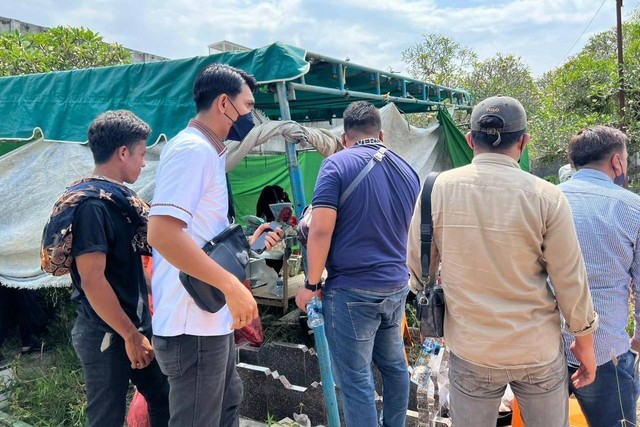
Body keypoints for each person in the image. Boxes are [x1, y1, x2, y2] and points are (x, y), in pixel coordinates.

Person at [407, 96, 599, 427]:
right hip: (536, 349)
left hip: (471, 350)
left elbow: (418, 268)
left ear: (470, 141)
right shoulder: (547, 196)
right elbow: (570, 280)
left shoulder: (435, 190)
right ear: (524, 141)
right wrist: (585, 344)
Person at [147, 64, 283, 427]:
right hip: (191, 324)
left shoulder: (210, 152)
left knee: (226, 410)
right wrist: (229, 285)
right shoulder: (192, 150)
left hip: (210, 319)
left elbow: (202, 235)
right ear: (225, 103)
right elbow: (161, 233)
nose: (252, 116)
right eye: (248, 105)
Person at [41, 110, 169, 427]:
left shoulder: (119, 202)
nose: (143, 162)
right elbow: (92, 278)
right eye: (141, 153)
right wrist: (129, 334)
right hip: (107, 332)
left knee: (164, 397)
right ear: (123, 152)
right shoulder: (93, 207)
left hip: (133, 327)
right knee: (106, 417)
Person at [295, 100, 420, 427]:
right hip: (395, 287)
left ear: (344, 136)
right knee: (394, 368)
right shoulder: (408, 170)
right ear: (381, 133)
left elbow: (320, 229)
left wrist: (310, 285)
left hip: (352, 291)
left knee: (355, 379)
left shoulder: (336, 165)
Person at [558, 125, 640, 427]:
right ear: (617, 162)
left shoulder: (546, 200)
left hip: (544, 348)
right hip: (607, 351)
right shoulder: (632, 207)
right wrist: (637, 340)